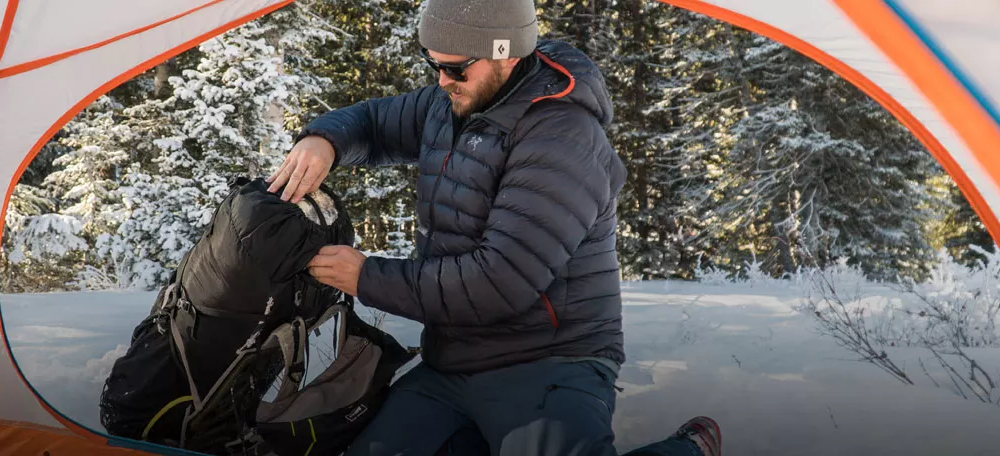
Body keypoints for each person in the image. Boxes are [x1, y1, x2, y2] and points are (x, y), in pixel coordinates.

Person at [267, 0, 722, 454]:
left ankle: (688, 449)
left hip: (550, 362)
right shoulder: (452, 101)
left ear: (505, 53)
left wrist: (366, 277)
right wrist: (323, 140)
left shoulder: (562, 137)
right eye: (434, 64)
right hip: (453, 361)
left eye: (456, 69)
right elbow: (371, 123)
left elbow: (500, 281)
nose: (442, 80)